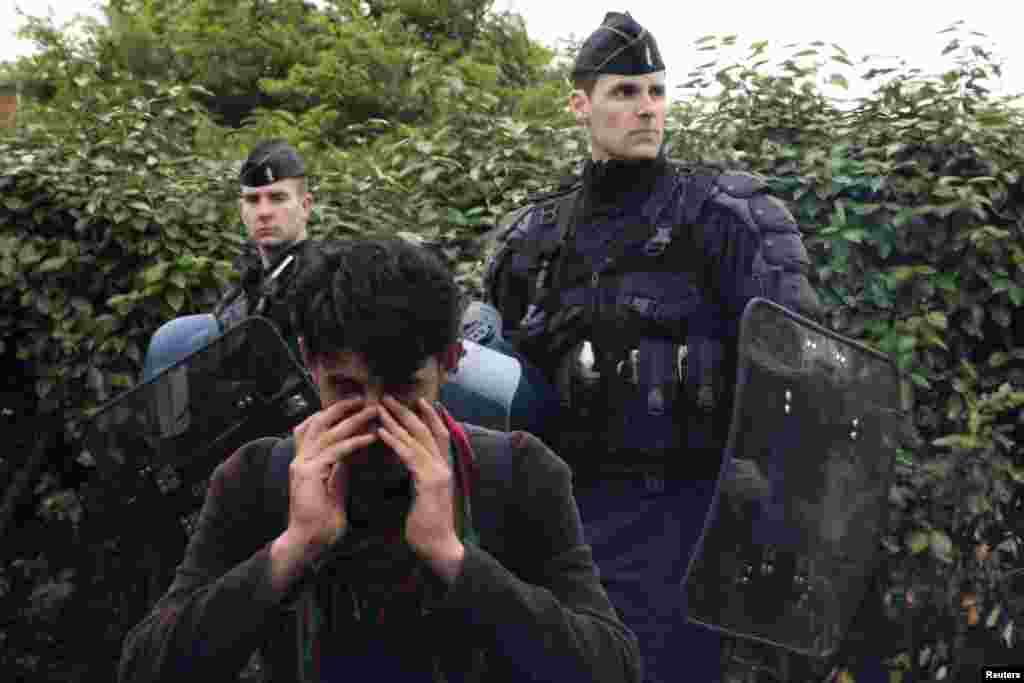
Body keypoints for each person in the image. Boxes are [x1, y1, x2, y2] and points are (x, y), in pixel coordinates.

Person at [118, 237, 642, 683]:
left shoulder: (520, 474)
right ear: (308, 359)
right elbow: (145, 665)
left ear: (450, 362)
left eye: (400, 389)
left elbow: (613, 666)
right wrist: (291, 550)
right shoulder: (257, 477)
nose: (372, 416)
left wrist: (453, 557)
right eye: (345, 388)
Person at [482, 11, 820, 683]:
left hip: (682, 525)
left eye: (656, 92)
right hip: (562, 520)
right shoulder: (531, 239)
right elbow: (490, 385)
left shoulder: (728, 218)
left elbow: (797, 378)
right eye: (625, 93)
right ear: (580, 104)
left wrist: (764, 530)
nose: (646, 109)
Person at [214, 138, 320, 344]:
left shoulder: (326, 285)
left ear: (305, 206)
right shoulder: (242, 283)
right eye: (253, 200)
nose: (264, 212)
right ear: (241, 211)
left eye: (277, 198)